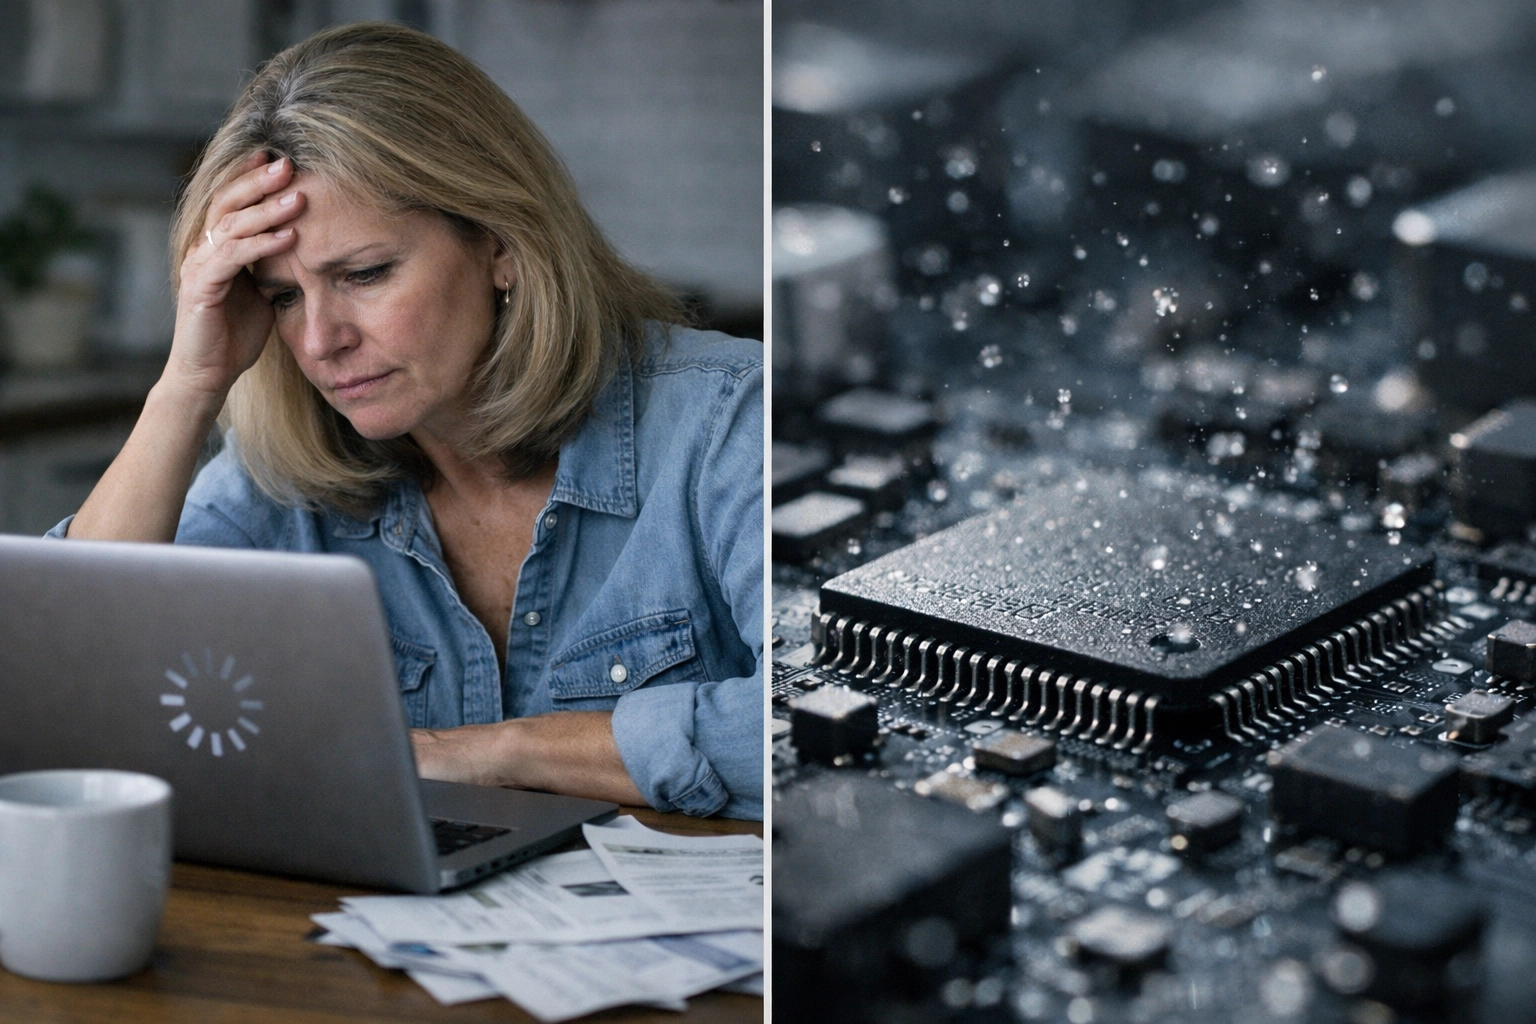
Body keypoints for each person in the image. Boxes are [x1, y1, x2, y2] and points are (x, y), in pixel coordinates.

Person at [55, 22, 763, 820]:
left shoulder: (723, 418)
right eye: (283, 296)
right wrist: (188, 385)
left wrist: (494, 754)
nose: (320, 342)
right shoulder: (283, 482)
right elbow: (70, 690)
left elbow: (806, 719)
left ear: (501, 243)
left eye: (363, 274)